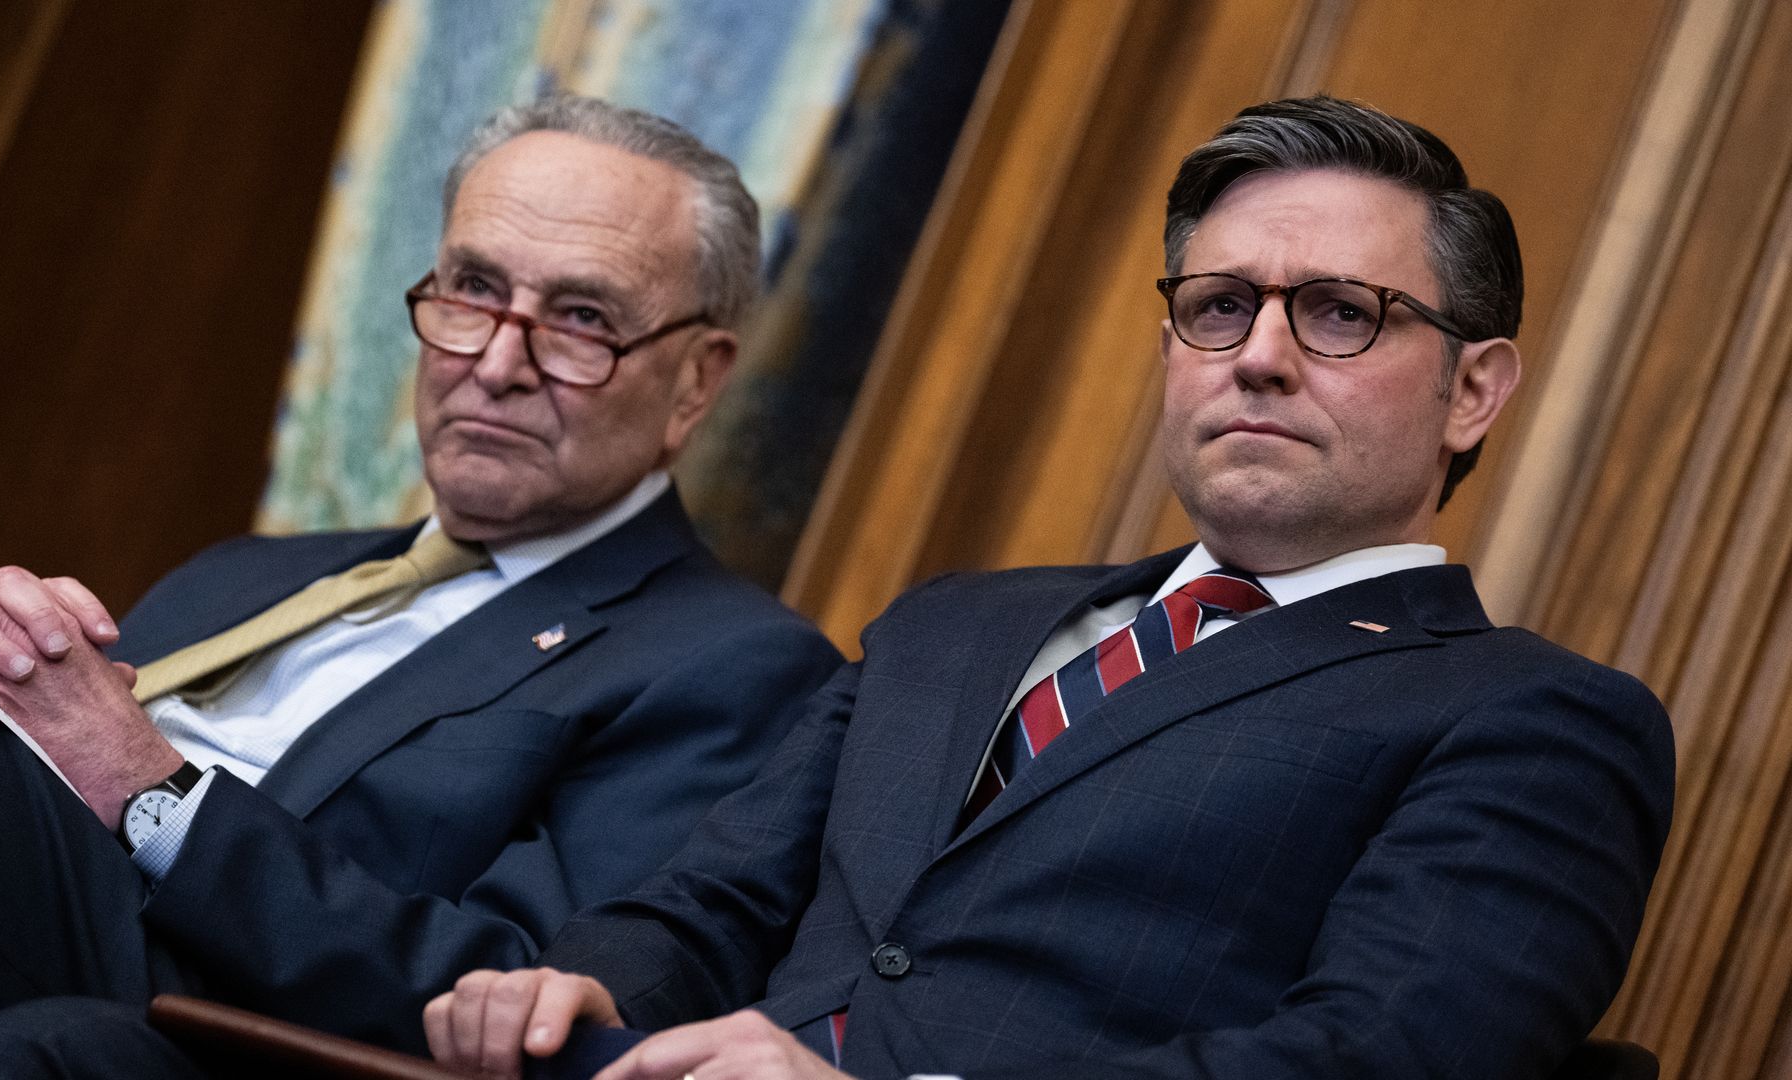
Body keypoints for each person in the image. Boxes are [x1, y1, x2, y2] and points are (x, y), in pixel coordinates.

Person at [420, 97, 1675, 1080]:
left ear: (1474, 390)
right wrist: (581, 986)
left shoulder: (1533, 719)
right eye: (1219, 306)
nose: (1262, 359)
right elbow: (713, 903)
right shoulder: (956, 624)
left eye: (1342, 313)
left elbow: (1379, 1062)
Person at [0, 95, 843, 1073]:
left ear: (696, 380)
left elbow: (519, 1003)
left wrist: (151, 793)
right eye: (472, 290)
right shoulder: (249, 571)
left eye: (581, 320)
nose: (497, 364)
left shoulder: (733, 664)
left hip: (196, 1016)